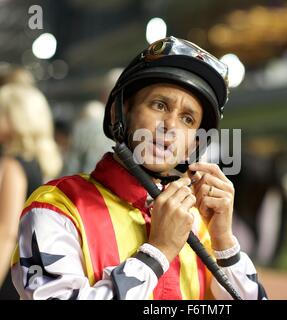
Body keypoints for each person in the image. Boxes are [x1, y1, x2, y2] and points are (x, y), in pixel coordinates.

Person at [11, 36, 267, 300]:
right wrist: (157, 252)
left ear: (195, 143)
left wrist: (224, 241)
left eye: (188, 119)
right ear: (118, 114)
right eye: (159, 105)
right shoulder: (56, 206)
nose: (170, 126)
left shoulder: (199, 222)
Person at [0, 83, 62, 298]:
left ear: (16, 119)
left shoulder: (13, 164)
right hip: (35, 266)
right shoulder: (44, 162)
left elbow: (7, 232)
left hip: (10, 268)